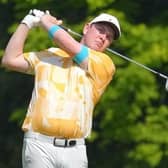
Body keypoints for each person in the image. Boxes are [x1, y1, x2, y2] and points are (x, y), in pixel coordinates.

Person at [2, 9, 121, 168]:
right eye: (101, 30)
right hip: (38, 145)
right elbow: (10, 60)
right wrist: (27, 23)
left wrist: (45, 21)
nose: (103, 37)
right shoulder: (52, 55)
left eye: (109, 37)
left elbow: (66, 42)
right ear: (86, 28)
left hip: (75, 151)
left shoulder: (104, 64)